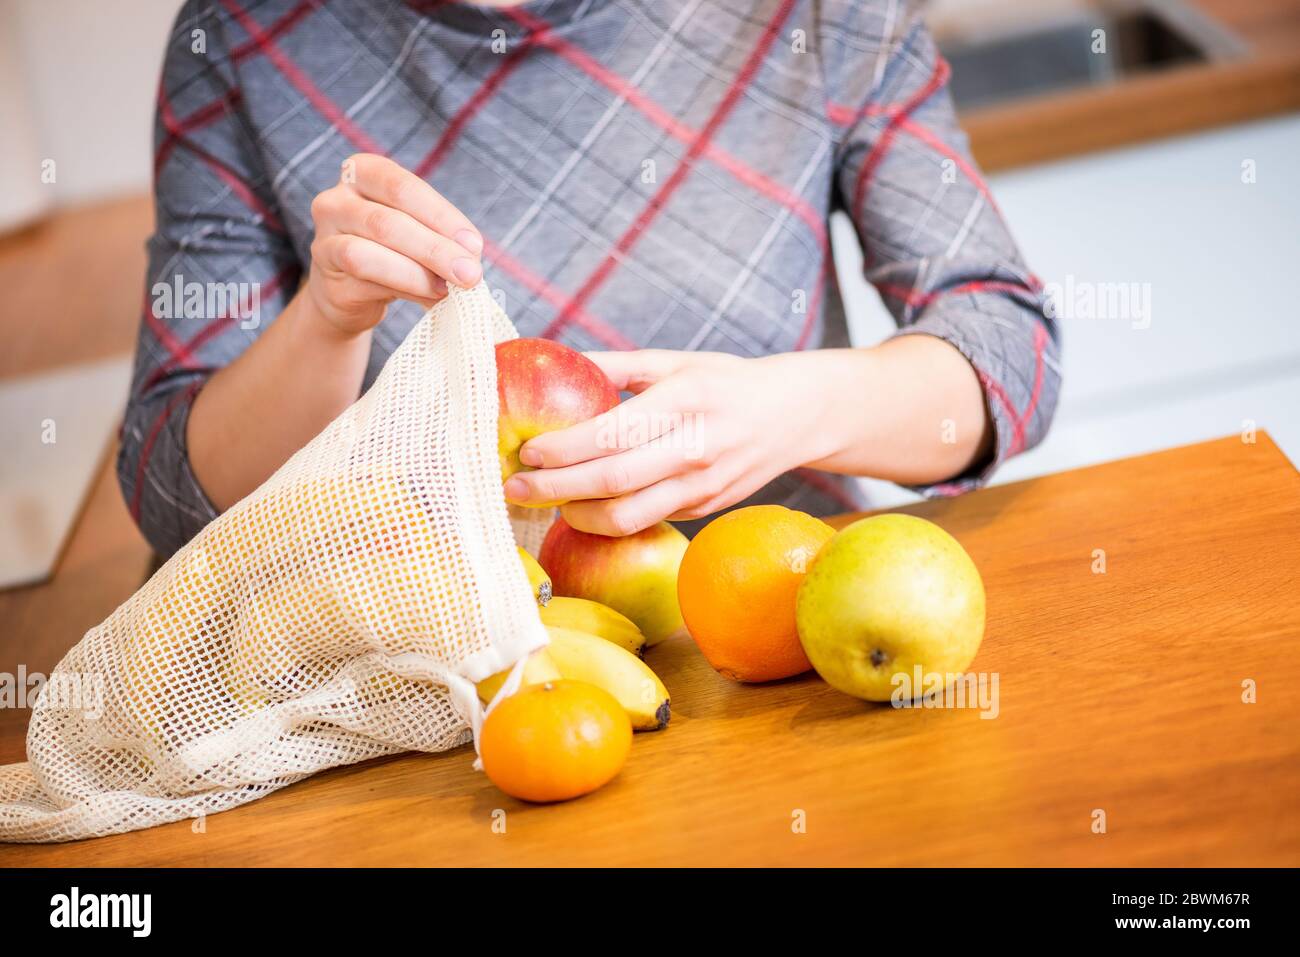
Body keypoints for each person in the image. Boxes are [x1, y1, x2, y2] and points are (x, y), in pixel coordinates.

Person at [121, 0, 1060, 555]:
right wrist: (324, 322)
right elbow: (170, 492)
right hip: (423, 693)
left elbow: (1007, 349)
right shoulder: (240, 35)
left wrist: (791, 410)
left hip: (778, 639)